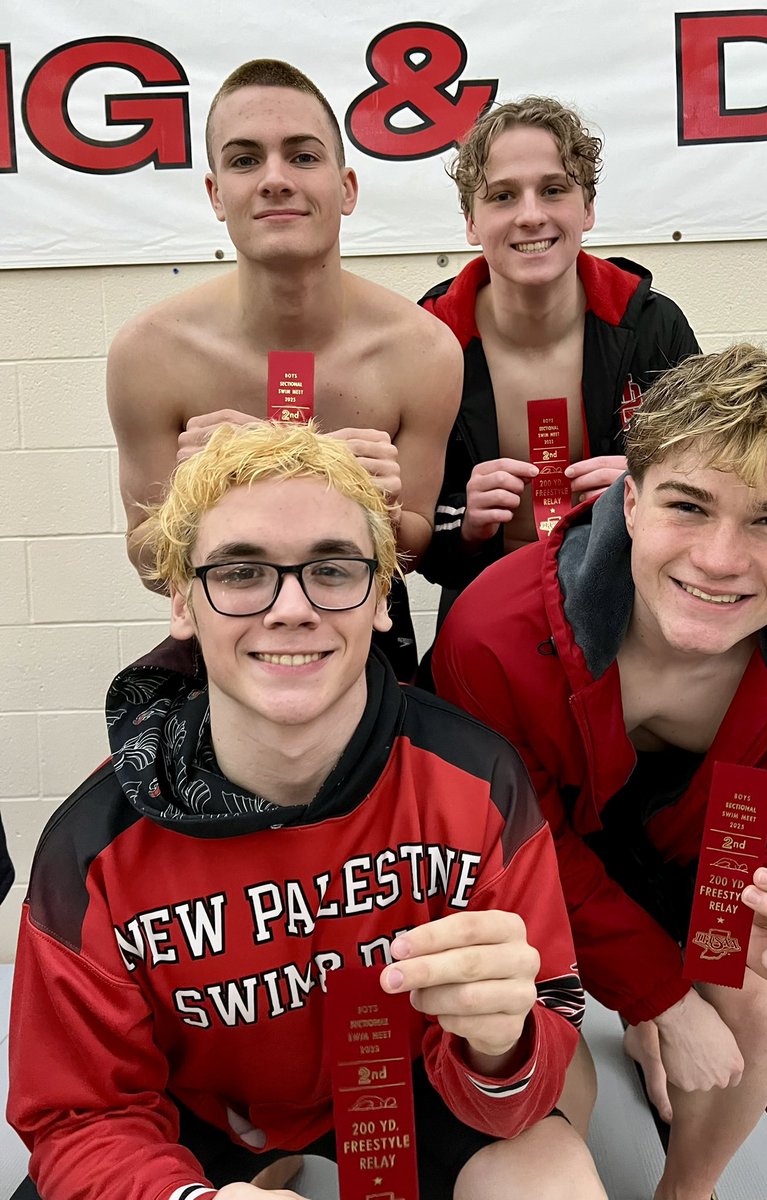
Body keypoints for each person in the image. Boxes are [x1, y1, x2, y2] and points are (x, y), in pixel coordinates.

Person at [8, 422, 606, 1200]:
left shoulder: (478, 778)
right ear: (183, 601)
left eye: (331, 569)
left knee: (554, 1166)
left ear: (381, 597)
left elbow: (546, 1024)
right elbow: (77, 1116)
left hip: (414, 1079)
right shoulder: (94, 846)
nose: (291, 609)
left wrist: (501, 1045)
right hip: (202, 1113)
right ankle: (265, 1161)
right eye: (241, 571)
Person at [432, 344, 767, 1200]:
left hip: (710, 843)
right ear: (631, 501)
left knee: (756, 978)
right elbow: (519, 850)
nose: (720, 559)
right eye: (689, 505)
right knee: (512, 1019)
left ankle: (687, 1189)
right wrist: (659, 999)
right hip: (548, 849)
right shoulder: (492, 633)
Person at [107, 58, 462, 681]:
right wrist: (194, 499)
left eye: (302, 156)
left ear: (346, 188)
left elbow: (411, 549)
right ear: (216, 195)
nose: (275, 180)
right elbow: (146, 558)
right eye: (245, 160)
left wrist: (382, 507)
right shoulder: (150, 353)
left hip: (366, 640)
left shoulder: (423, 350)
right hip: (226, 632)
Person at [417, 97, 699, 631]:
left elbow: (711, 488)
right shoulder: (429, 339)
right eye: (503, 196)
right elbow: (408, 537)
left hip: (627, 608)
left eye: (553, 190)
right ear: (471, 221)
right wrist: (466, 524)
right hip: (486, 611)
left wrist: (646, 490)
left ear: (587, 209)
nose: (531, 215)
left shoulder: (652, 328)